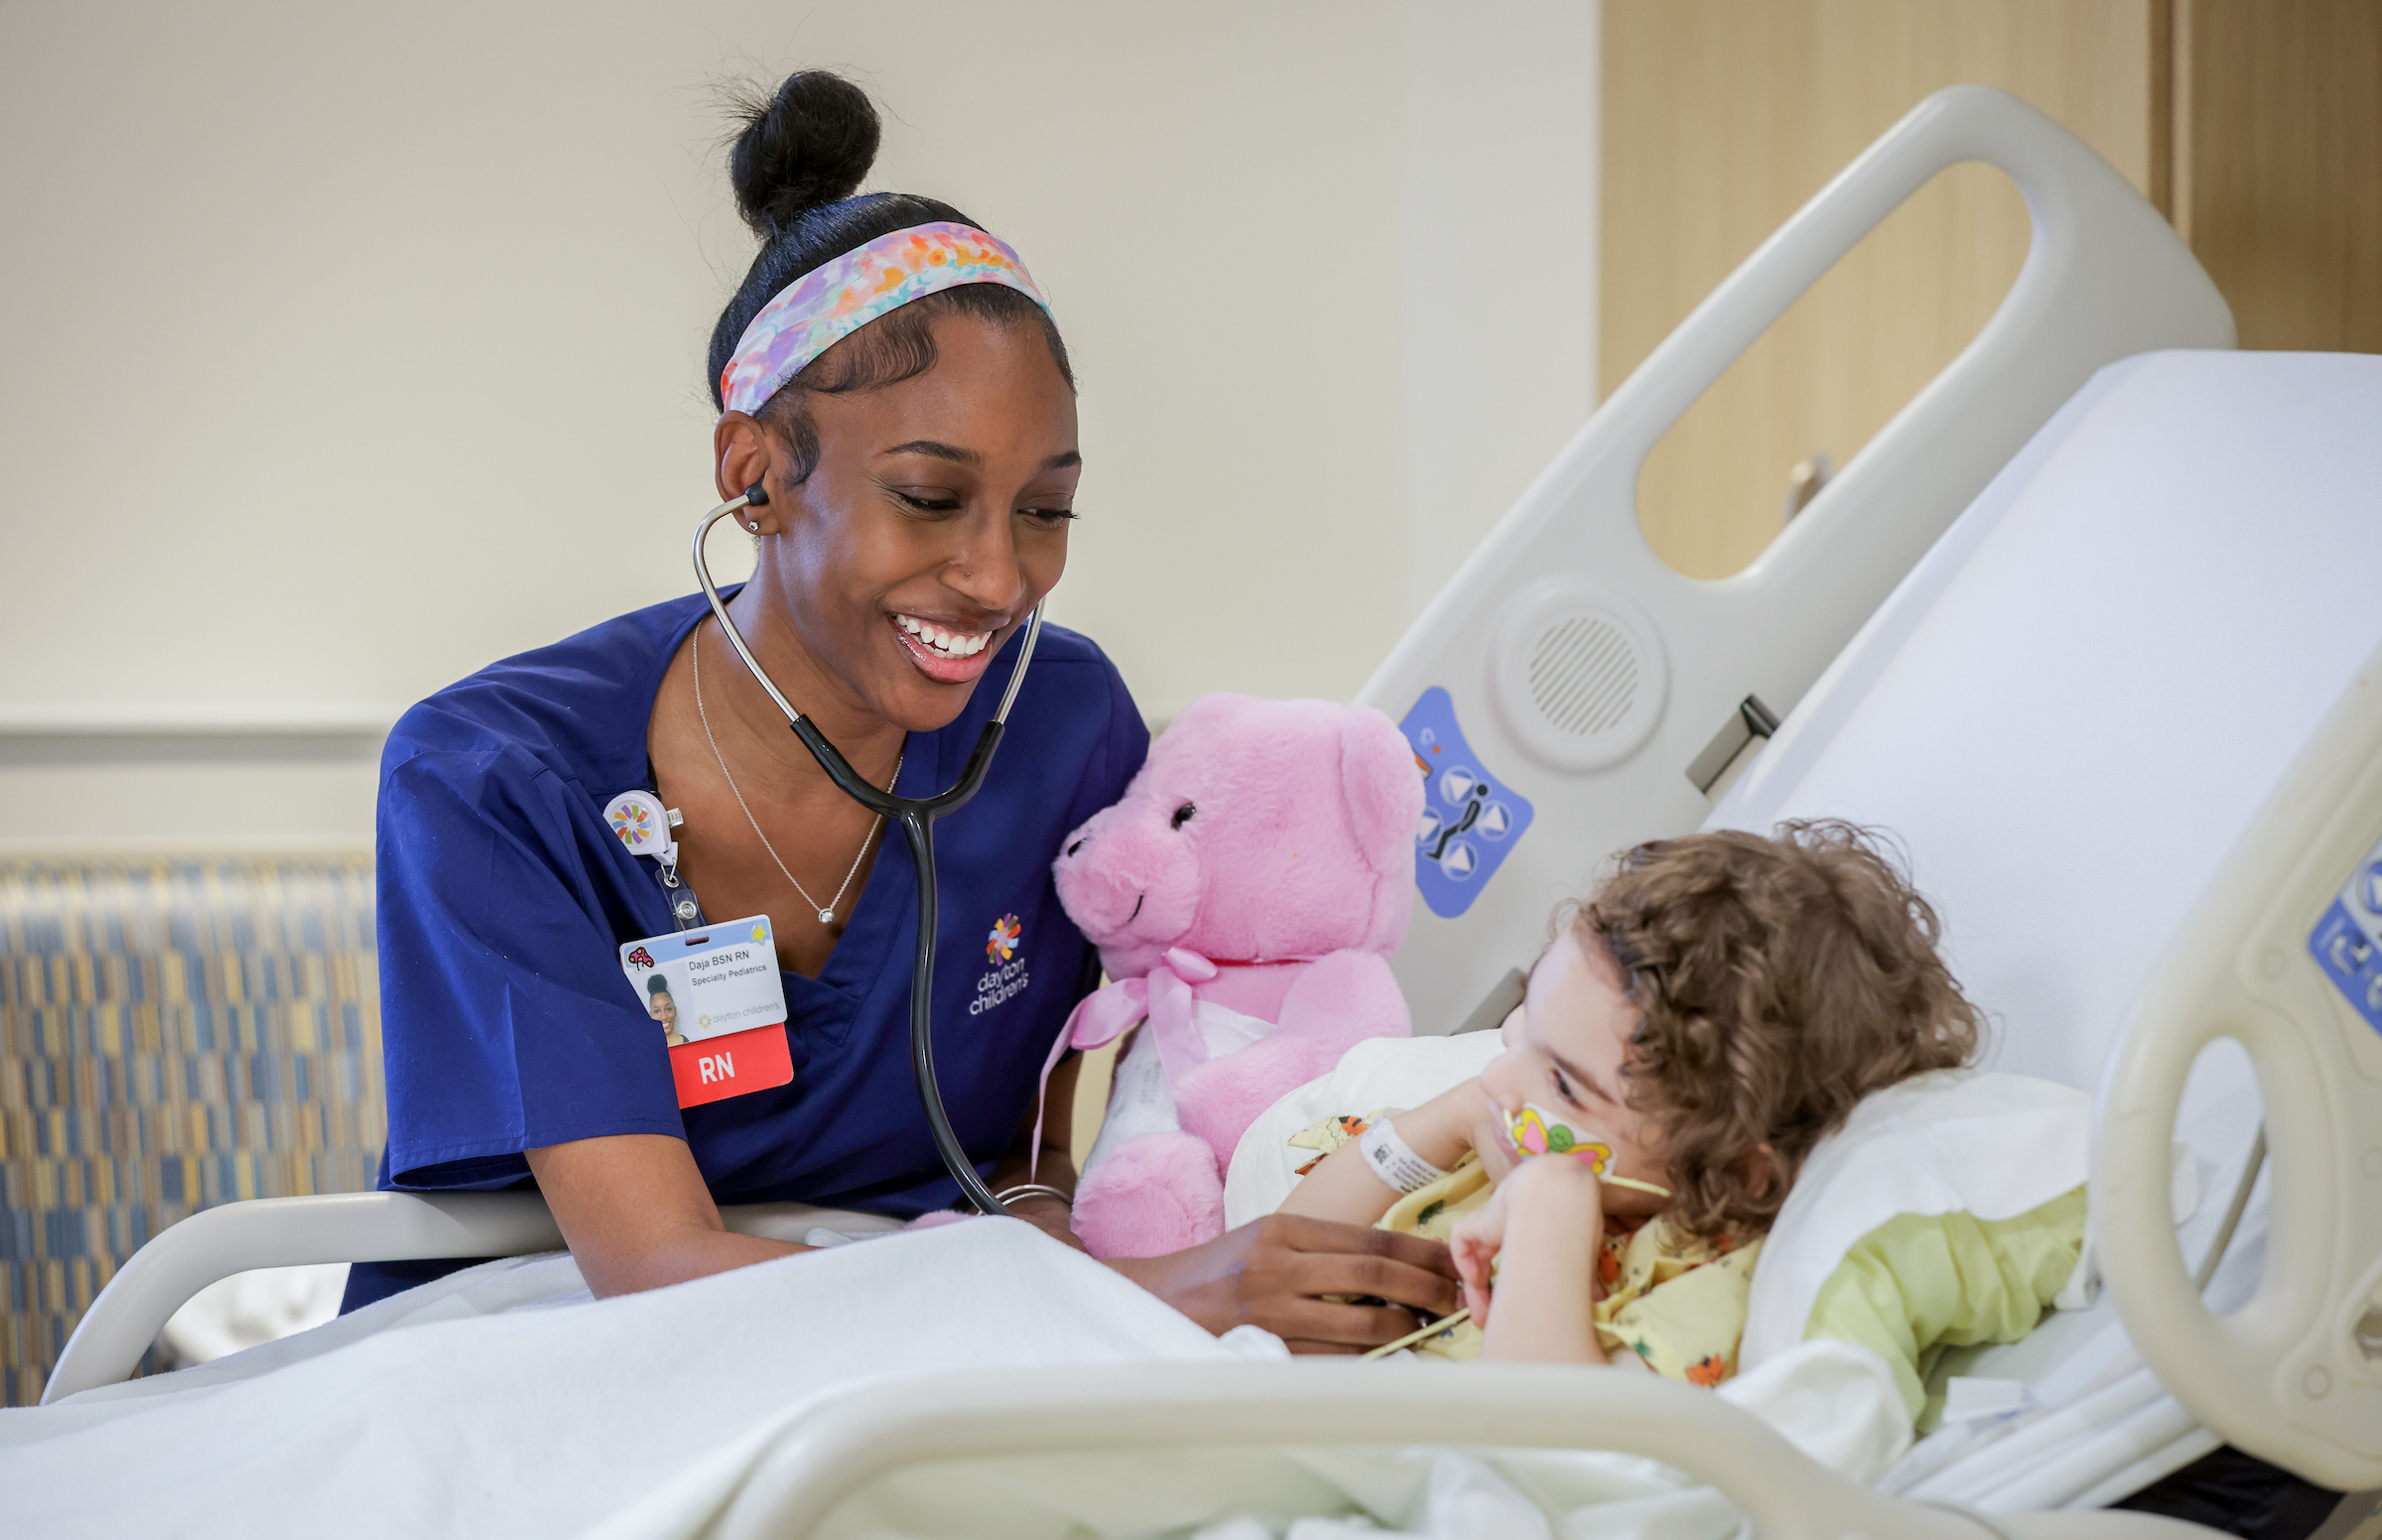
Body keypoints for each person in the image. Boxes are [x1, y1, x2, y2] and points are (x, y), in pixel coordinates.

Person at [346, 68, 1457, 1349]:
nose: (999, 580)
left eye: (1045, 511)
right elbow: (656, 1271)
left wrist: (1062, 1208)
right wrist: (1148, 1303)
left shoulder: (1065, 724)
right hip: (554, 1364)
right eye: (932, 498)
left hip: (948, 1372)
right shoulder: (492, 779)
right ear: (754, 473)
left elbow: (1100, 1081)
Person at [1281, 822, 1982, 1377]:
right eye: (1526, 1021)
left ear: (1735, 1171)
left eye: (1562, 1082)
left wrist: (1549, 1213)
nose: (1502, 1080)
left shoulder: (1699, 1278)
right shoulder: (1496, 1141)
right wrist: (1453, 1114)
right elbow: (1284, 1251)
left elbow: (1547, 1461)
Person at [645, 978, 687, 1048]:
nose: (664, 1017)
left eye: (668, 1009)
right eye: (657, 1011)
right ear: (651, 1015)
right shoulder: (648, 1050)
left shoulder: (691, 1045)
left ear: (675, 1011)